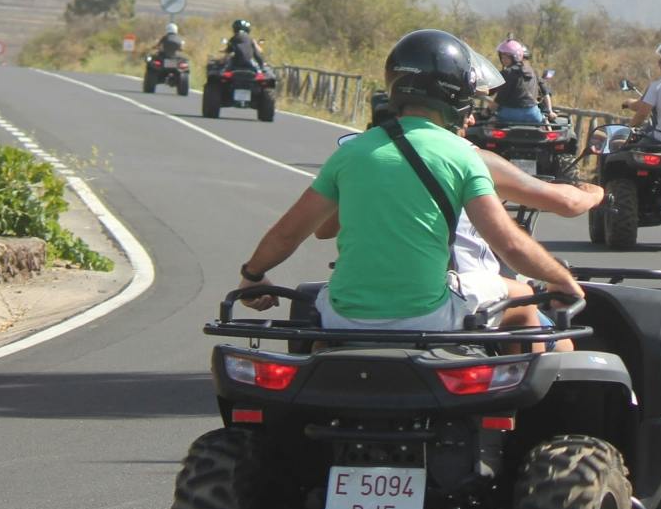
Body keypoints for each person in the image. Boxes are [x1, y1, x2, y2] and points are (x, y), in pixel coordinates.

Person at [234, 29, 581, 339]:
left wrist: (252, 276)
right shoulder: (462, 155)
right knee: (521, 300)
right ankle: (520, 403)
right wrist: (562, 281)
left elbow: (288, 233)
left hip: (341, 319)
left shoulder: (351, 153)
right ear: (456, 95)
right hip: (429, 318)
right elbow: (510, 246)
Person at [491, 38, 549, 124]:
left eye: (506, 58)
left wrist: (487, 112)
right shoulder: (533, 72)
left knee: (489, 123)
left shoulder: (507, 73)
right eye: (502, 58)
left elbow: (500, 98)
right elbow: (546, 92)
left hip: (508, 114)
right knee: (545, 122)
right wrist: (550, 111)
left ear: (514, 57)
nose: (503, 60)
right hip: (533, 115)